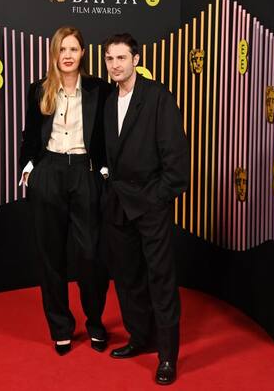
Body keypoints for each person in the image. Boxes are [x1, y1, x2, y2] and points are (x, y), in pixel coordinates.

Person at [102, 33, 189, 385]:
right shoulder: (108, 101)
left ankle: (167, 357)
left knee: (160, 279)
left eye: (122, 58)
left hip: (150, 204)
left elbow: (176, 161)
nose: (115, 65)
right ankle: (140, 338)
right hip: (119, 204)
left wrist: (158, 199)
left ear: (136, 59)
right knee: (127, 278)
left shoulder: (158, 98)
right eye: (109, 59)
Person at [19, 26, 111, 356]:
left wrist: (104, 170)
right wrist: (28, 168)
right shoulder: (38, 90)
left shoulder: (99, 89)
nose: (68, 55)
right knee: (51, 256)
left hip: (85, 173)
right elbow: (30, 137)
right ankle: (61, 327)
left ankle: (96, 321)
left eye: (73, 49)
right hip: (50, 172)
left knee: (90, 254)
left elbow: (108, 134)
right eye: (62, 50)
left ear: (83, 53)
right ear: (54, 54)